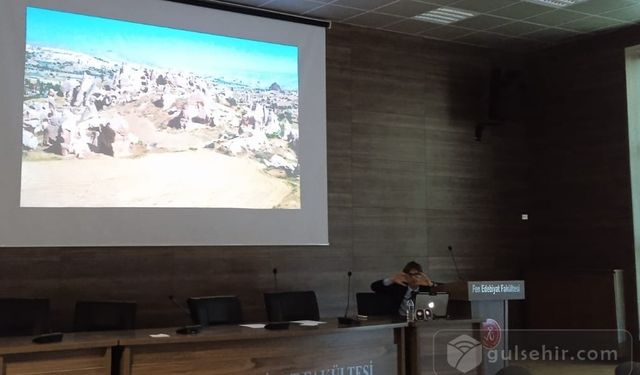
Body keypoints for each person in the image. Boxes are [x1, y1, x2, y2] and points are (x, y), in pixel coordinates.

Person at [370, 261, 437, 317]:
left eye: (417, 275)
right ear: (405, 276)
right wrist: (391, 279)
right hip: (400, 320)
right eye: (410, 275)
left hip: (421, 320)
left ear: (421, 276)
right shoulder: (399, 287)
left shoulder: (425, 287)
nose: (413, 278)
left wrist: (431, 284)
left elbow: (442, 292)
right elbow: (374, 287)